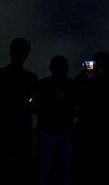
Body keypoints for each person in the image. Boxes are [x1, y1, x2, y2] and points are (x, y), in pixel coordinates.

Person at [0, 37, 39, 183]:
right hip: (16, 133)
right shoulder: (30, 78)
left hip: (6, 131)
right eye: (19, 50)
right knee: (17, 171)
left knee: (3, 170)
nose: (20, 53)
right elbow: (36, 108)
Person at [73, 51, 109, 180]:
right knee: (106, 169)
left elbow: (74, 93)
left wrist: (82, 75)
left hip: (91, 132)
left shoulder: (89, 83)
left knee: (90, 169)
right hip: (106, 132)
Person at [35, 55, 76, 185]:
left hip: (48, 131)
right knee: (62, 169)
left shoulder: (43, 84)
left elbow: (34, 106)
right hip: (63, 132)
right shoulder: (71, 85)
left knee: (44, 167)